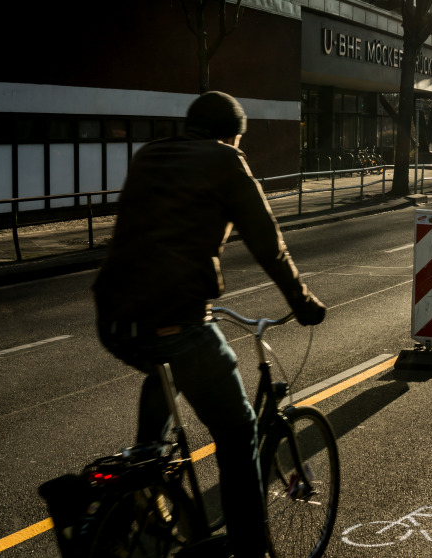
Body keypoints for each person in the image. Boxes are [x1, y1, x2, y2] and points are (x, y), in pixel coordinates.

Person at [93, 91, 326, 557]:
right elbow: (268, 243)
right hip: (177, 319)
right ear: (233, 133)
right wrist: (303, 302)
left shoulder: (151, 154)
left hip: (117, 320)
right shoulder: (226, 161)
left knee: (163, 381)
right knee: (239, 434)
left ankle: (147, 491)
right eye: (239, 138)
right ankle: (249, 550)